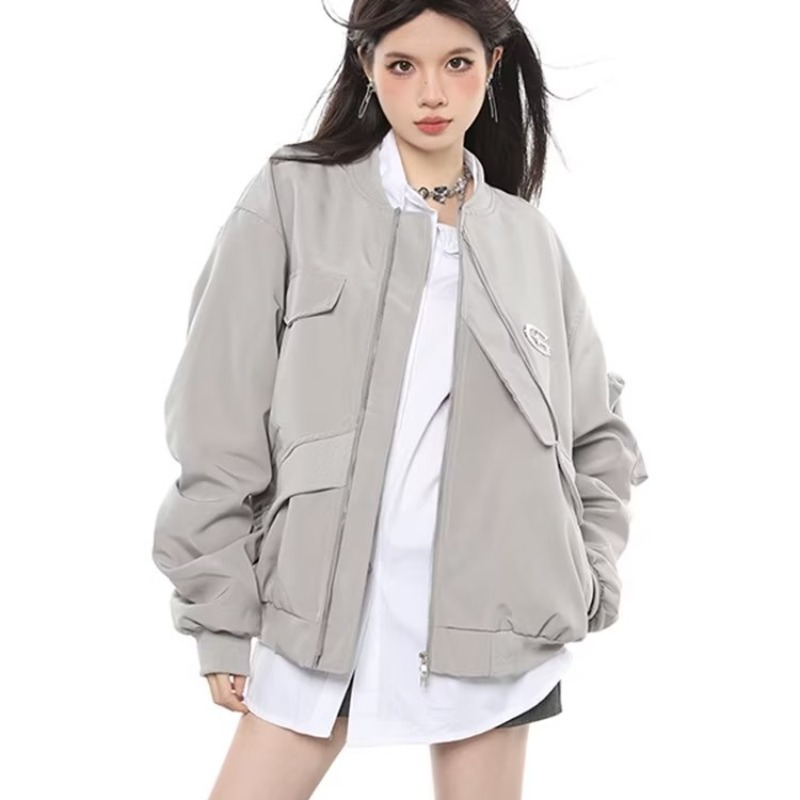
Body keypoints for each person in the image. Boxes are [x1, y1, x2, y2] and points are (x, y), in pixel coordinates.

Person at [151, 1, 648, 798]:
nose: (432, 93)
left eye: (457, 63)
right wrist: (219, 613)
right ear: (367, 66)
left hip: (498, 621)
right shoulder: (293, 197)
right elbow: (217, 416)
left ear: (492, 65)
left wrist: (585, 576)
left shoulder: (527, 240)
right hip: (319, 608)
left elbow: (597, 435)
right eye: (403, 65)